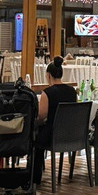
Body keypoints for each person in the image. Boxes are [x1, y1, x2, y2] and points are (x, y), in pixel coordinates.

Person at [34, 57, 78, 186]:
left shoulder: (47, 93)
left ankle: (35, 178)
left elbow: (41, 116)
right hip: (71, 135)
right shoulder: (72, 91)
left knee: (35, 139)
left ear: (48, 75)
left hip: (52, 136)